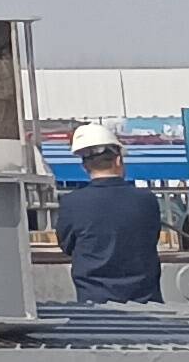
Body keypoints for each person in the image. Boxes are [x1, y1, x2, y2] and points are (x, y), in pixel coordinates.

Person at [54, 121, 164, 303]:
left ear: (84, 166)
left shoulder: (71, 203)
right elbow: (152, 238)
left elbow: (67, 246)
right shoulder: (146, 200)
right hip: (145, 301)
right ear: (118, 160)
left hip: (94, 303)